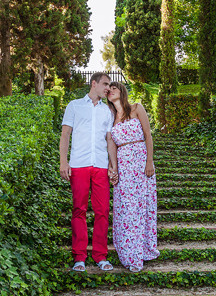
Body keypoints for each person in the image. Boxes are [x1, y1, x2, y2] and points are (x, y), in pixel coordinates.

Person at [60, 73, 115, 272]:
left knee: (102, 212)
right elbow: (65, 134)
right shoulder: (74, 105)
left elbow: (109, 140)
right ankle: (79, 257)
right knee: (79, 210)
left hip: (100, 165)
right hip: (79, 164)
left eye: (109, 85)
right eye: (105, 84)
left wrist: (112, 165)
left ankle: (100, 256)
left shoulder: (108, 111)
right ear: (94, 84)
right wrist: (63, 162)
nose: (108, 88)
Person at [105, 83, 159, 272]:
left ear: (121, 91)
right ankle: (129, 253)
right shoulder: (111, 118)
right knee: (127, 210)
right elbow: (111, 145)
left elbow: (148, 135)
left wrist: (149, 161)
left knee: (141, 208)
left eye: (114, 88)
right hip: (124, 168)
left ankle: (143, 251)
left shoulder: (137, 108)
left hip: (141, 164)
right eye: (108, 89)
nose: (110, 91)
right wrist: (114, 168)